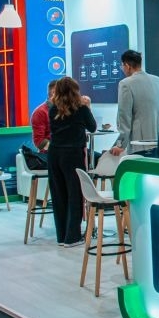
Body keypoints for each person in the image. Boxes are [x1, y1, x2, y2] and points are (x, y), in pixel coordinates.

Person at [47, 77, 96, 247]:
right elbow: (92, 127)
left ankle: (62, 236)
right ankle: (72, 237)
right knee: (75, 194)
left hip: (54, 154)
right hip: (73, 154)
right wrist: (87, 106)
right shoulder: (81, 109)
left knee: (58, 194)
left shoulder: (53, 109)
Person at [109, 50, 159, 156]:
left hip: (140, 145)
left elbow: (124, 116)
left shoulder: (126, 84)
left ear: (127, 66)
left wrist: (120, 144)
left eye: (122, 66)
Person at [30, 79, 57, 152]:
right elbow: (40, 142)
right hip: (49, 156)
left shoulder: (65, 110)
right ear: (53, 92)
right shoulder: (40, 112)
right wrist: (60, 149)